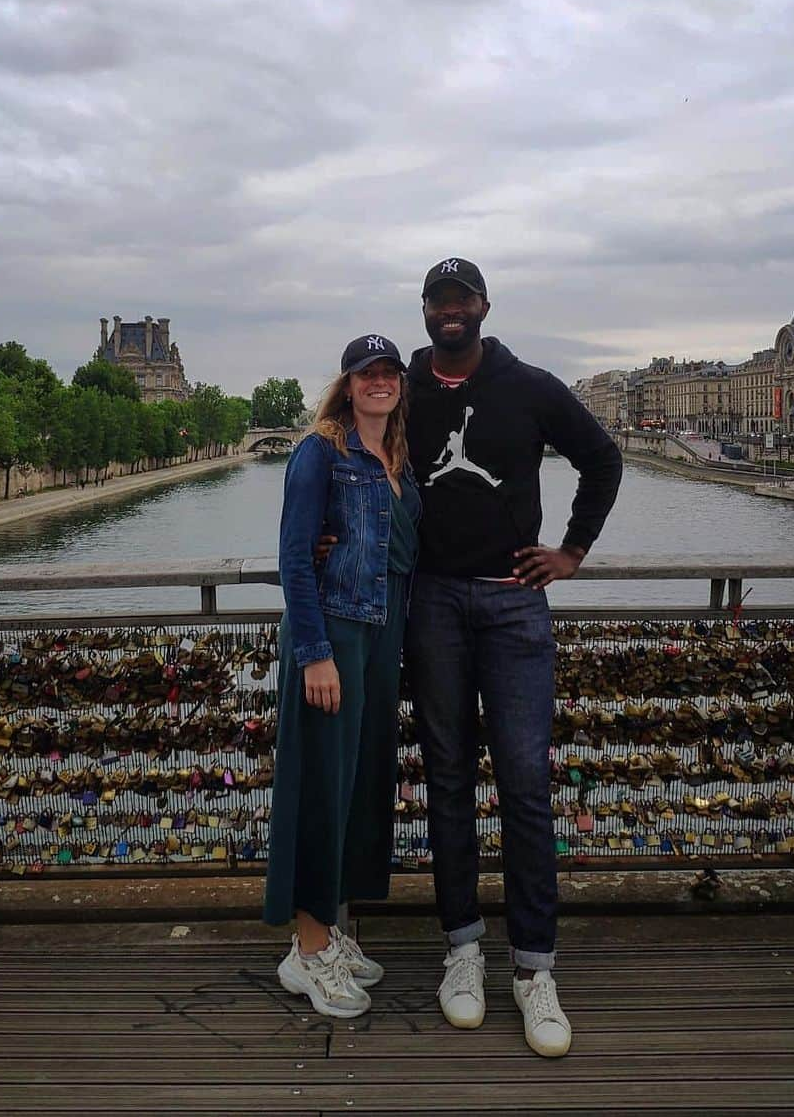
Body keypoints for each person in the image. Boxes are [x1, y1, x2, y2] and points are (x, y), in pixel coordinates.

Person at [318, 259, 622, 1055]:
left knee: (525, 782)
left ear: (483, 306)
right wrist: (329, 532)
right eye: (437, 300)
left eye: (461, 299)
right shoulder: (403, 386)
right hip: (433, 606)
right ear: (425, 312)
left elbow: (604, 459)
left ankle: (532, 970)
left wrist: (572, 552)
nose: (450, 311)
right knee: (447, 775)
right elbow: (352, 461)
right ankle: (462, 951)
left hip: (516, 603)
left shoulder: (533, 387)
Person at [263, 334, 421, 1019]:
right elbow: (294, 559)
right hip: (333, 634)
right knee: (321, 790)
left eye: (389, 373)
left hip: (380, 638)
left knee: (359, 788)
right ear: (348, 383)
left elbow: (406, 552)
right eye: (368, 374)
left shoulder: (398, 460)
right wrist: (315, 653)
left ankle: (332, 935)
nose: (379, 383)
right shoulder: (319, 452)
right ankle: (306, 951)